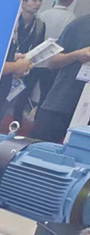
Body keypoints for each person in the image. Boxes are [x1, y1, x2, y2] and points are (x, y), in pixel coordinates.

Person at [31, 13, 90, 142]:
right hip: (62, 102)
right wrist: (76, 55)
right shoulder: (80, 24)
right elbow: (52, 61)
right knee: (38, 146)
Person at [0, 0, 47, 127]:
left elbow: (38, 47)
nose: (38, 4)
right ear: (23, 3)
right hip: (7, 68)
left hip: (24, 68)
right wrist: (15, 64)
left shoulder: (39, 26)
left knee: (11, 104)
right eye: (34, 0)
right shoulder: (11, 21)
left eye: (40, 1)